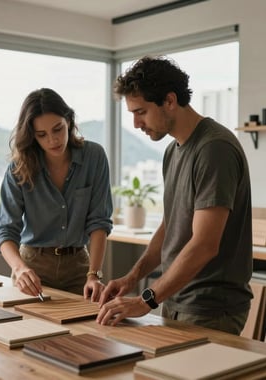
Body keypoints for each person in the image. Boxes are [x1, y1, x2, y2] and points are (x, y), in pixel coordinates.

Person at [97, 56, 253, 335]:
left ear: (169, 100)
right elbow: (171, 226)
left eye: (141, 111)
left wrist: (146, 300)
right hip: (176, 298)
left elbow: (205, 244)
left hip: (209, 308)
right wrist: (133, 278)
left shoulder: (214, 148)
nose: (135, 123)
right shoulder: (173, 150)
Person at [0, 88, 113, 302]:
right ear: (32, 135)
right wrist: (20, 269)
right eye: (42, 135)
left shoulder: (94, 157)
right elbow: (5, 231)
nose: (53, 140)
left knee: (86, 333)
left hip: (79, 266)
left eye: (58, 129)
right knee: (32, 332)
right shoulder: (18, 168)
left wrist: (94, 274)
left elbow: (99, 222)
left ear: (69, 121)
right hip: (33, 268)